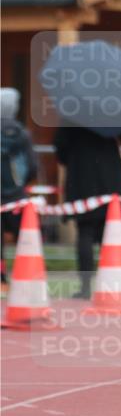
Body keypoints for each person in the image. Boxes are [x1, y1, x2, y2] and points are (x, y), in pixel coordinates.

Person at [54, 126, 121, 299]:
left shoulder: (72, 113)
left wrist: (73, 158)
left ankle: (85, 286)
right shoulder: (114, 111)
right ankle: (112, 285)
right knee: (110, 234)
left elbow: (60, 146)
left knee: (85, 231)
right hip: (110, 175)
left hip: (81, 174)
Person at [1, 88, 38, 291]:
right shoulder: (22, 134)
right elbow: (32, 165)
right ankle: (25, 276)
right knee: (24, 237)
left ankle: (1, 279)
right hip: (16, 195)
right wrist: (22, 183)